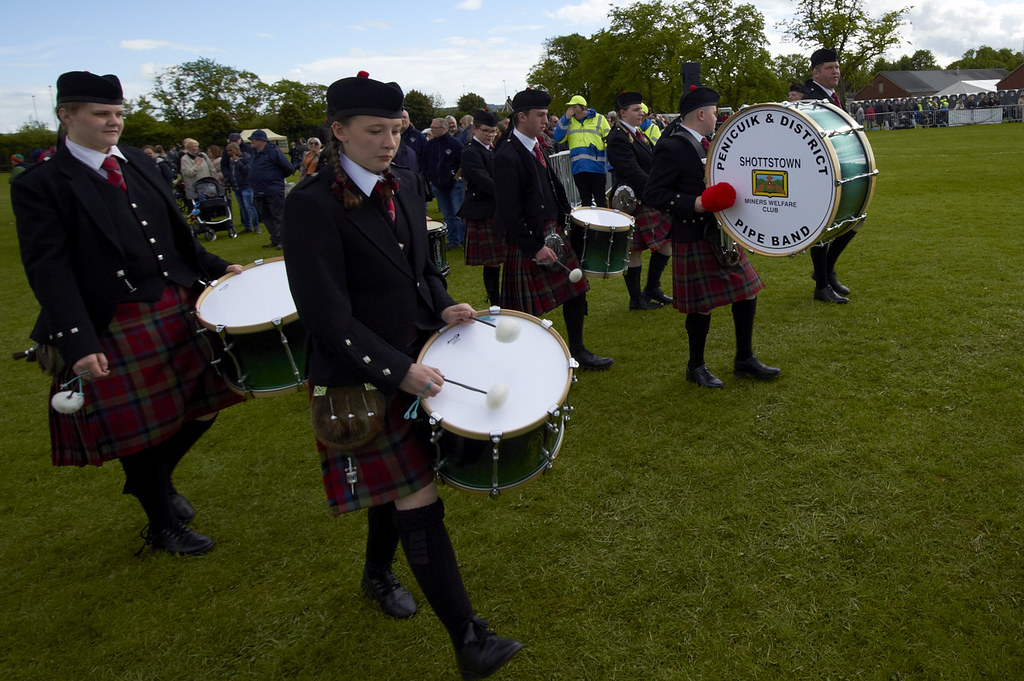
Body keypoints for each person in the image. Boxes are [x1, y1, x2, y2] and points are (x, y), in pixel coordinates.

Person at [282, 72, 522, 680]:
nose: (389, 142)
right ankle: (469, 639)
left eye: (396, 130)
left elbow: (422, 268)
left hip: (418, 354)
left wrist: (443, 303)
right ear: (338, 131)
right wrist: (398, 371)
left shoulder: (408, 182)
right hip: (357, 376)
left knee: (398, 486)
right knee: (416, 493)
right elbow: (325, 317)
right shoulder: (309, 205)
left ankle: (375, 573)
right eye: (375, 131)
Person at [12, 71, 245, 555]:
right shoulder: (42, 183)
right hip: (113, 319)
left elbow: (178, 236)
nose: (113, 122)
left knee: (208, 404)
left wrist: (219, 266)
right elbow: (49, 271)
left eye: (118, 113)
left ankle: (150, 482)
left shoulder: (136, 161)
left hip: (175, 303)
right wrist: (79, 342)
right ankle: (161, 524)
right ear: (66, 115)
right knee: (139, 434)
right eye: (101, 114)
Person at [645, 84, 779, 388]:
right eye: (714, 112)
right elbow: (653, 193)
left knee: (747, 291)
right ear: (701, 114)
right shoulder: (672, 147)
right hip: (693, 232)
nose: (717, 117)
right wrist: (695, 203)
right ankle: (695, 366)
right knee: (700, 305)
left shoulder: (712, 144)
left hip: (722, 232)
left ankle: (744, 358)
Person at [494, 88, 613, 370]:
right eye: (540, 115)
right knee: (525, 311)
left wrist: (570, 215)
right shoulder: (506, 155)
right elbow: (509, 211)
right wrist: (534, 247)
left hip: (553, 230)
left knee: (577, 289)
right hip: (528, 238)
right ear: (521, 117)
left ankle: (578, 351)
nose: (546, 121)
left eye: (546, 114)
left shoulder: (537, 146)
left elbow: (551, 186)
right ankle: (524, 363)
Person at [803, 48, 860, 303]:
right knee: (822, 226)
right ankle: (822, 285)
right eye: (829, 68)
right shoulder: (810, 100)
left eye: (837, 67)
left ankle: (825, 271)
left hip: (839, 166)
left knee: (856, 218)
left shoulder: (832, 97)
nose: (835, 71)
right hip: (817, 171)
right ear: (816, 73)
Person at [606, 91, 672, 311]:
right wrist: (656, 189)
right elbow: (631, 170)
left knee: (666, 243)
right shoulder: (618, 136)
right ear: (622, 113)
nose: (641, 113)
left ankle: (652, 288)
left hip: (647, 195)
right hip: (633, 199)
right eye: (635, 110)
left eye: (641, 109)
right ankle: (636, 300)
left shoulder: (636, 133)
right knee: (633, 250)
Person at [458, 109, 504, 305]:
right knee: (492, 262)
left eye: (493, 131)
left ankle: (500, 298)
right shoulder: (470, 152)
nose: (490, 134)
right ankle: (495, 300)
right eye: (486, 130)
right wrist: (508, 192)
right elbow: (483, 180)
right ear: (475, 129)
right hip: (483, 210)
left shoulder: (490, 149)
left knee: (501, 259)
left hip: (496, 209)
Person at [552, 95, 611, 207]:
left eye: (574, 107)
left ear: (583, 107)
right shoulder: (568, 122)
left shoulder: (599, 119)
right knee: (585, 202)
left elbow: (609, 141)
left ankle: (603, 219)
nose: (571, 110)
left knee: (601, 201)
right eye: (570, 107)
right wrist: (565, 118)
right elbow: (557, 138)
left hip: (597, 167)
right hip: (579, 168)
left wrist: (610, 164)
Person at [421, 118, 466, 248]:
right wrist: (429, 177)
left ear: (443, 128)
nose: (432, 130)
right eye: (431, 127)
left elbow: (463, 162)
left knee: (459, 214)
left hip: (454, 185)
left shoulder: (455, 144)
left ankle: (464, 240)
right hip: (437, 185)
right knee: (447, 215)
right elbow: (424, 162)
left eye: (434, 128)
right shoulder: (429, 145)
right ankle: (453, 240)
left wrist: (457, 176)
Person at [248, 129, 293, 250]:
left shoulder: (273, 151)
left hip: (273, 189)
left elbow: (288, 168)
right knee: (265, 216)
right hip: (258, 190)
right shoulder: (254, 153)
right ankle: (275, 238)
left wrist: (275, 178)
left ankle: (283, 240)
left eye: (253, 139)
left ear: (261, 140)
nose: (251, 142)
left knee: (278, 215)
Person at [223, 141, 260, 234]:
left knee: (249, 207)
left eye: (230, 150)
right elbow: (232, 173)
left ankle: (256, 226)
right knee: (242, 208)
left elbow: (247, 170)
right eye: (228, 151)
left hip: (246, 186)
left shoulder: (246, 158)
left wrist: (238, 162)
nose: (228, 153)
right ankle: (247, 226)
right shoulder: (231, 160)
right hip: (237, 187)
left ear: (236, 149)